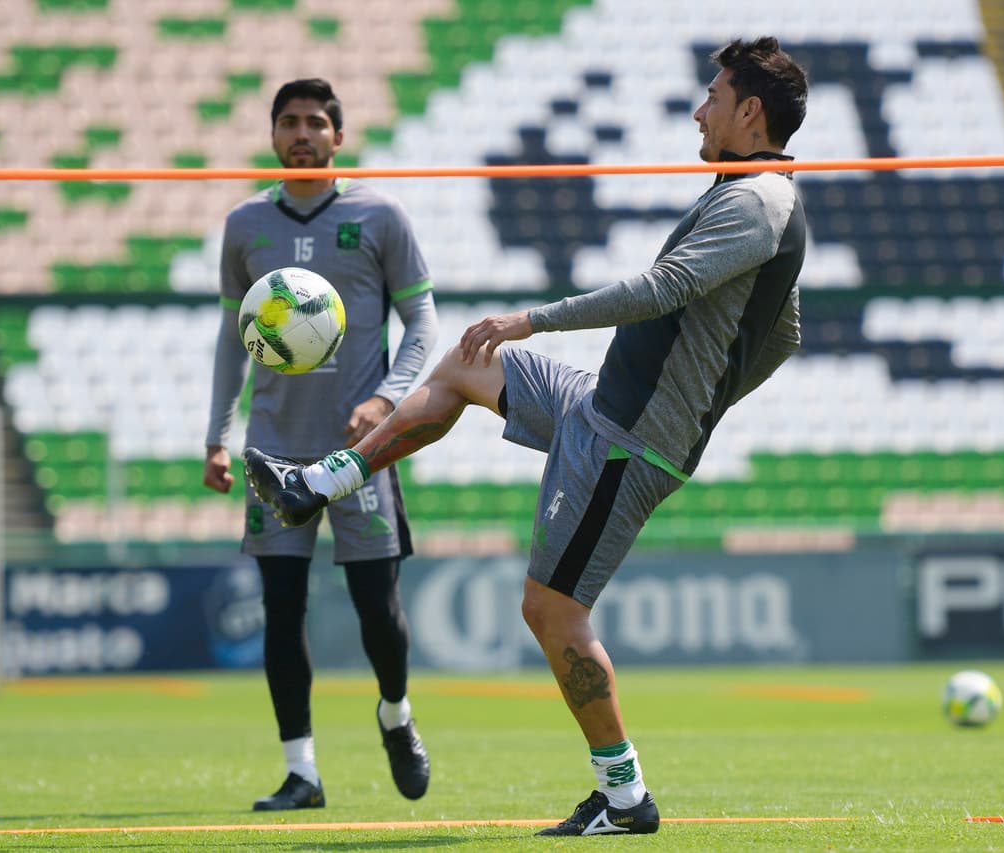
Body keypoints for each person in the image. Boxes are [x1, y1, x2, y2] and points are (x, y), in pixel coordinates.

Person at [244, 38, 808, 834]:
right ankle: (321, 484)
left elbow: (666, 290)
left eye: (713, 96)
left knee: (551, 611)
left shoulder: (756, 203)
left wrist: (538, 321)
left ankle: (625, 796)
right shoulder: (749, 194)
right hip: (605, 402)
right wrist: (706, 392)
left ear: (750, 111)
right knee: (469, 364)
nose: (699, 108)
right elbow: (782, 332)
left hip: (630, 436)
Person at [204, 78, 438, 811]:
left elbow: (424, 322)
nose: (301, 132)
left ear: (339, 136)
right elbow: (229, 337)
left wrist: (384, 401)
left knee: (378, 607)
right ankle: (301, 770)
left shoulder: (379, 214)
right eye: (289, 122)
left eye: (315, 122)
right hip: (273, 452)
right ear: (274, 137)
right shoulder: (245, 224)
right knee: (281, 608)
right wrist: (218, 435)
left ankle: (395, 713)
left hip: (358, 456)